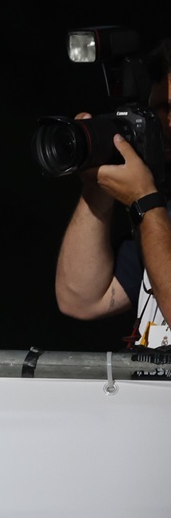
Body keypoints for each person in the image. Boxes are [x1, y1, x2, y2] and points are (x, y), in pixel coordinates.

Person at [54, 41, 171, 347]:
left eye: (170, 109)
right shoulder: (163, 215)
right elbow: (80, 298)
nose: (164, 123)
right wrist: (98, 180)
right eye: (157, 109)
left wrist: (144, 201)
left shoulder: (154, 210)